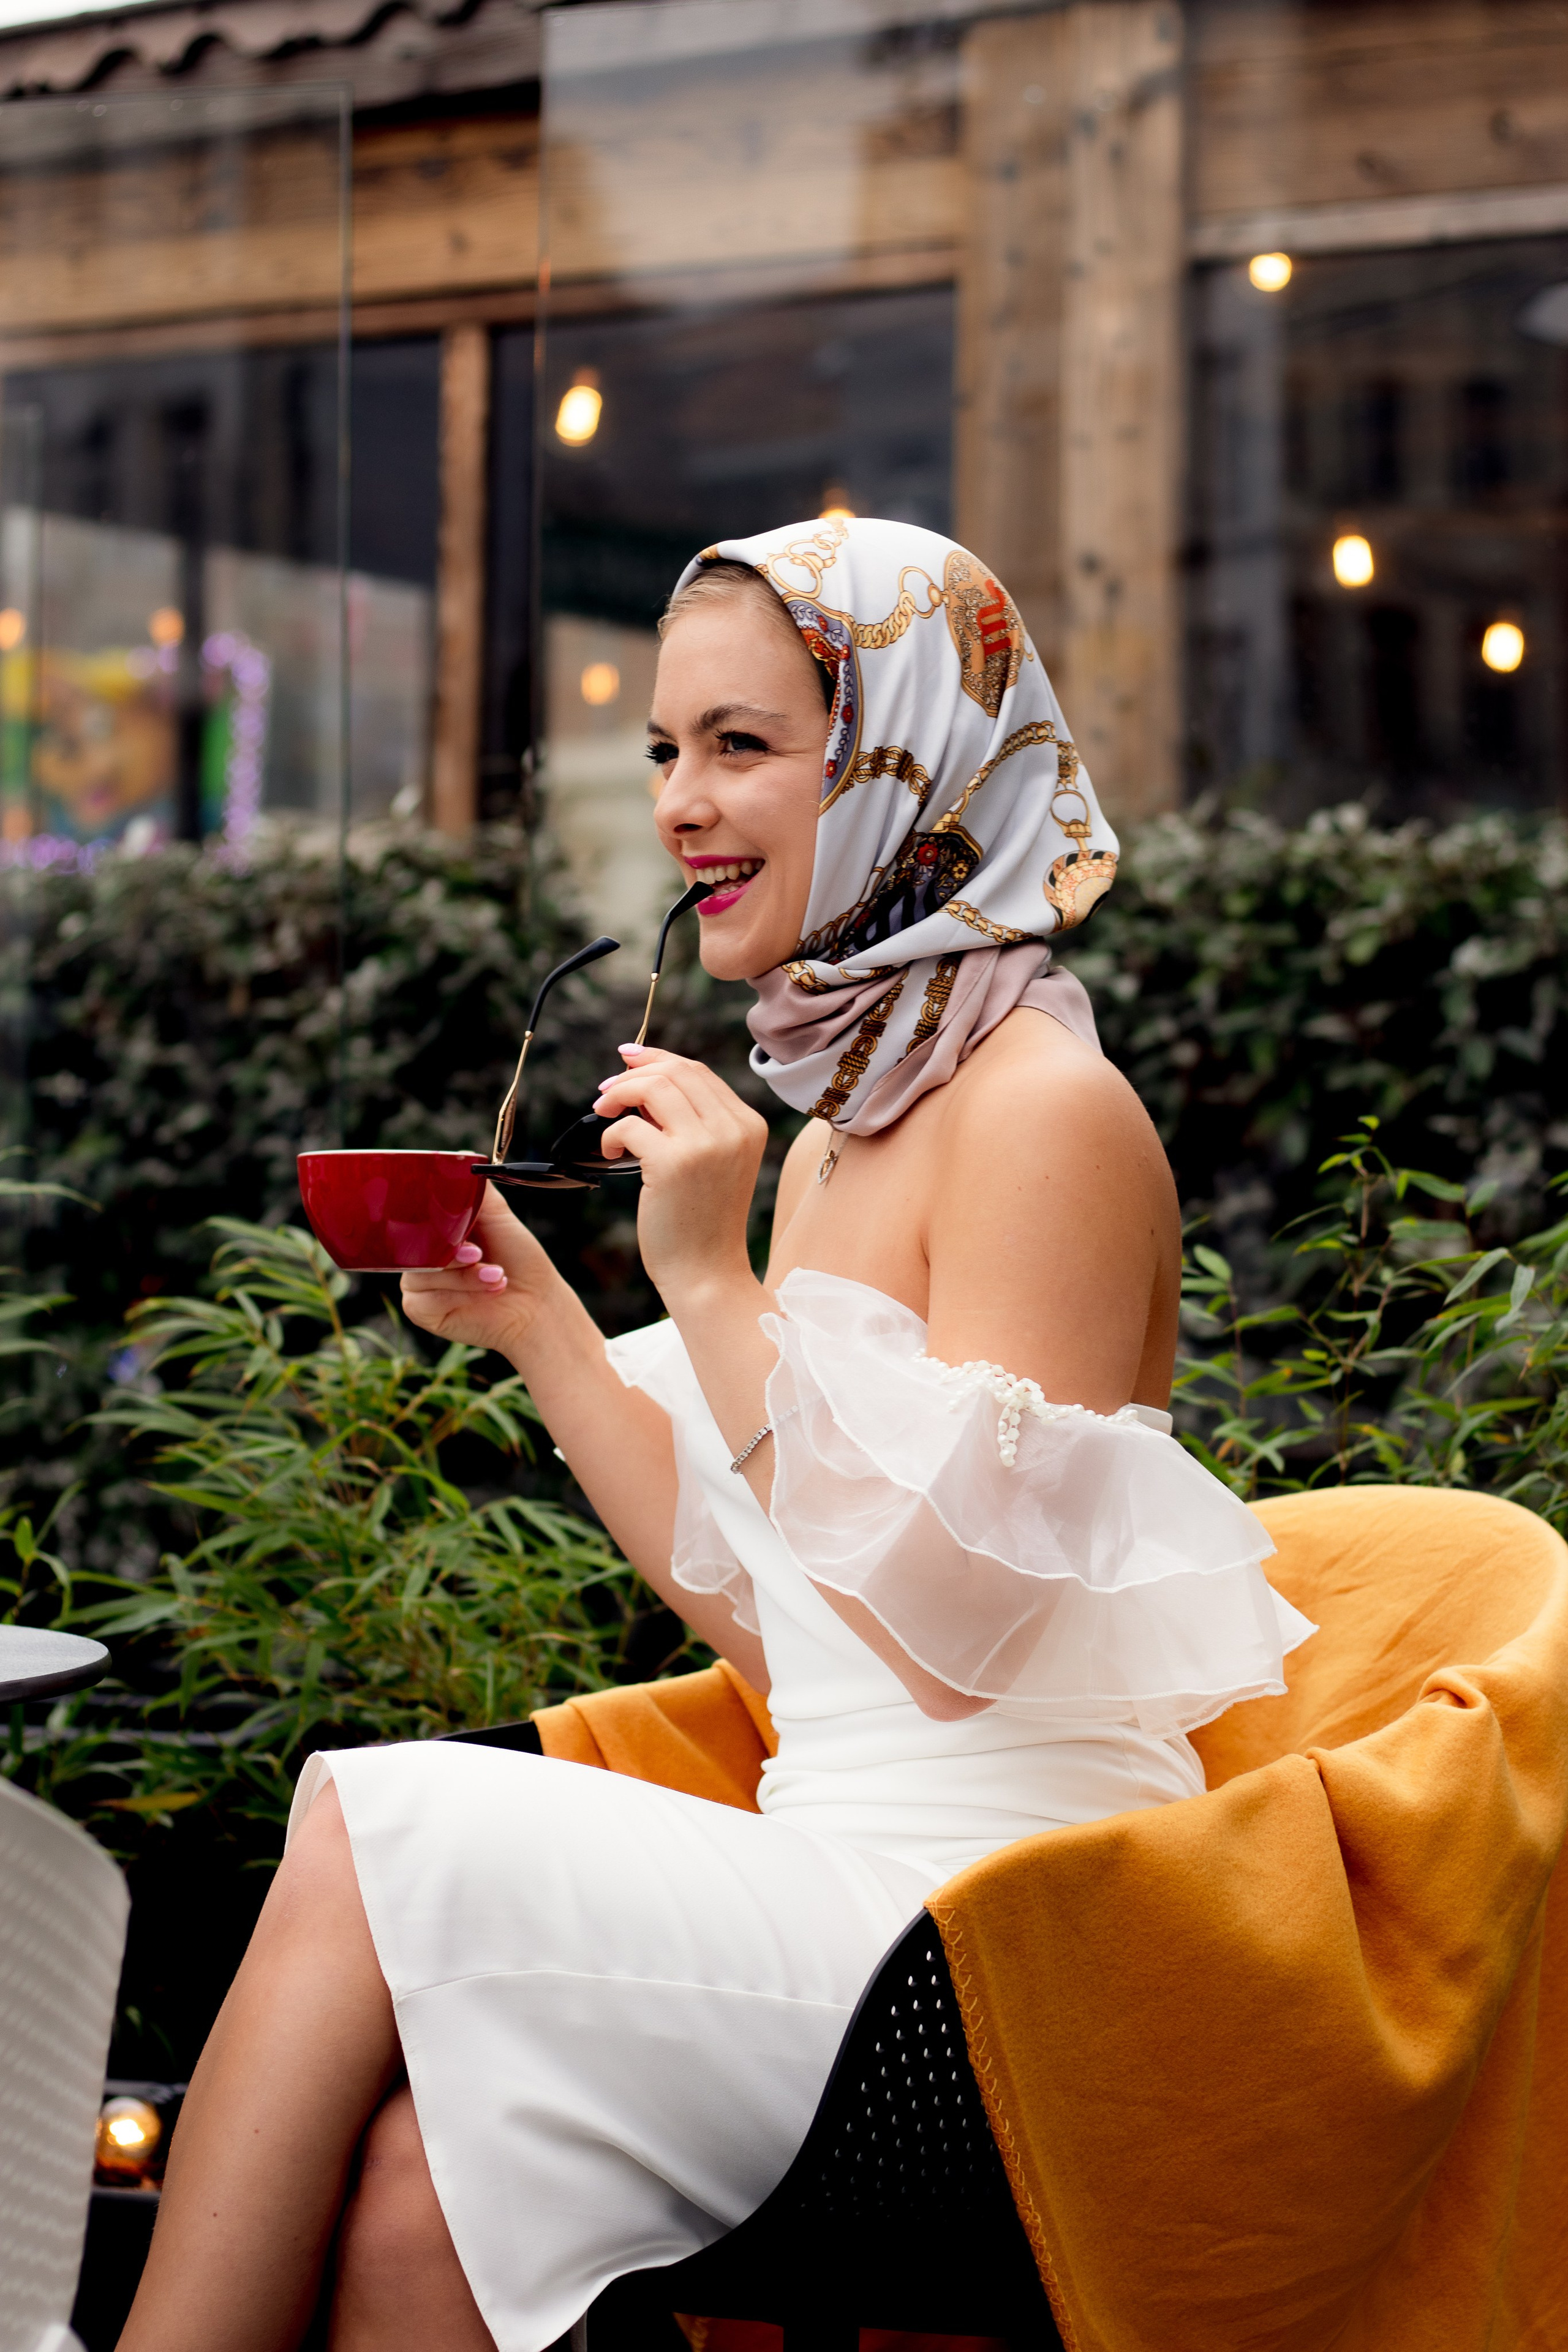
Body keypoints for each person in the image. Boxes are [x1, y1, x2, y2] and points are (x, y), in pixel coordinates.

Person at [119, 518, 1312, 2352]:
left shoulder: (1047, 1117)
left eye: (745, 744)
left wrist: (714, 1285)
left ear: (912, 757)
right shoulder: (844, 1124)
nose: (681, 797)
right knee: (414, 2208)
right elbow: (784, 1613)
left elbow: (945, 1641)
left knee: (371, 1817)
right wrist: (537, 1316)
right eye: (670, 746)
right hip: (835, 1874)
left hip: (998, 1949)